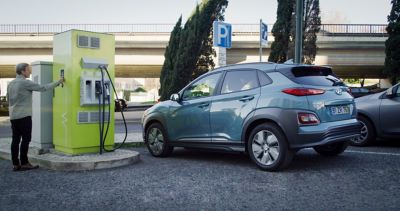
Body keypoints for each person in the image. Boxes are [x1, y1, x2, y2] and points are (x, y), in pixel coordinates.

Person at [7, 63, 64, 171]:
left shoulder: (10, 83)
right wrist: (58, 82)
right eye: (28, 70)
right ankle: (24, 163)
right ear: (23, 71)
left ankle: (15, 164)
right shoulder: (25, 83)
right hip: (24, 116)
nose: (30, 72)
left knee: (15, 140)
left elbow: (8, 99)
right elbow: (42, 88)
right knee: (26, 139)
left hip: (13, 116)